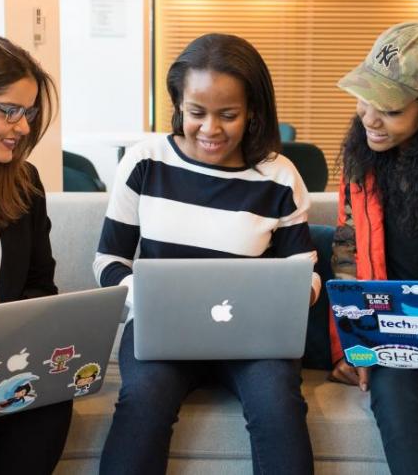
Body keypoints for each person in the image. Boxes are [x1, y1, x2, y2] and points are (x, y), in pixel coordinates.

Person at [94, 33, 321, 475]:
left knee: (279, 402)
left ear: (253, 111)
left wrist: (297, 296)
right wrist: (146, 298)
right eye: (196, 112)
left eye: (228, 115)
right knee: (142, 401)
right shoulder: (145, 162)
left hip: (255, 339)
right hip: (161, 333)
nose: (210, 129)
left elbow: (304, 270)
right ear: (178, 104)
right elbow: (109, 262)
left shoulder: (279, 176)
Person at [329, 22, 418, 475]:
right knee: (397, 411)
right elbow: (348, 252)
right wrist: (351, 343)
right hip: (395, 335)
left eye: (390, 109)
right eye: (365, 97)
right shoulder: (361, 164)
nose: (369, 117)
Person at [0, 32, 72, 474]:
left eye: (28, 113)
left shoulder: (24, 184)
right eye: (9, 110)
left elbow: (40, 285)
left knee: (49, 405)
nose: (23, 127)